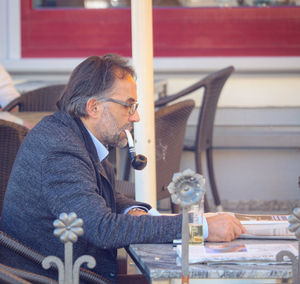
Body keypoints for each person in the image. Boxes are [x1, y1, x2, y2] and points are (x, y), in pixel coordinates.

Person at [0, 54, 246, 283]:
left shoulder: (78, 134)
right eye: (128, 106)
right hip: (49, 276)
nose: (136, 116)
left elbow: (100, 196)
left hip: (75, 269)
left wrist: (134, 211)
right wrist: (197, 227)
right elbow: (103, 228)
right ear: (94, 107)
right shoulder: (61, 150)